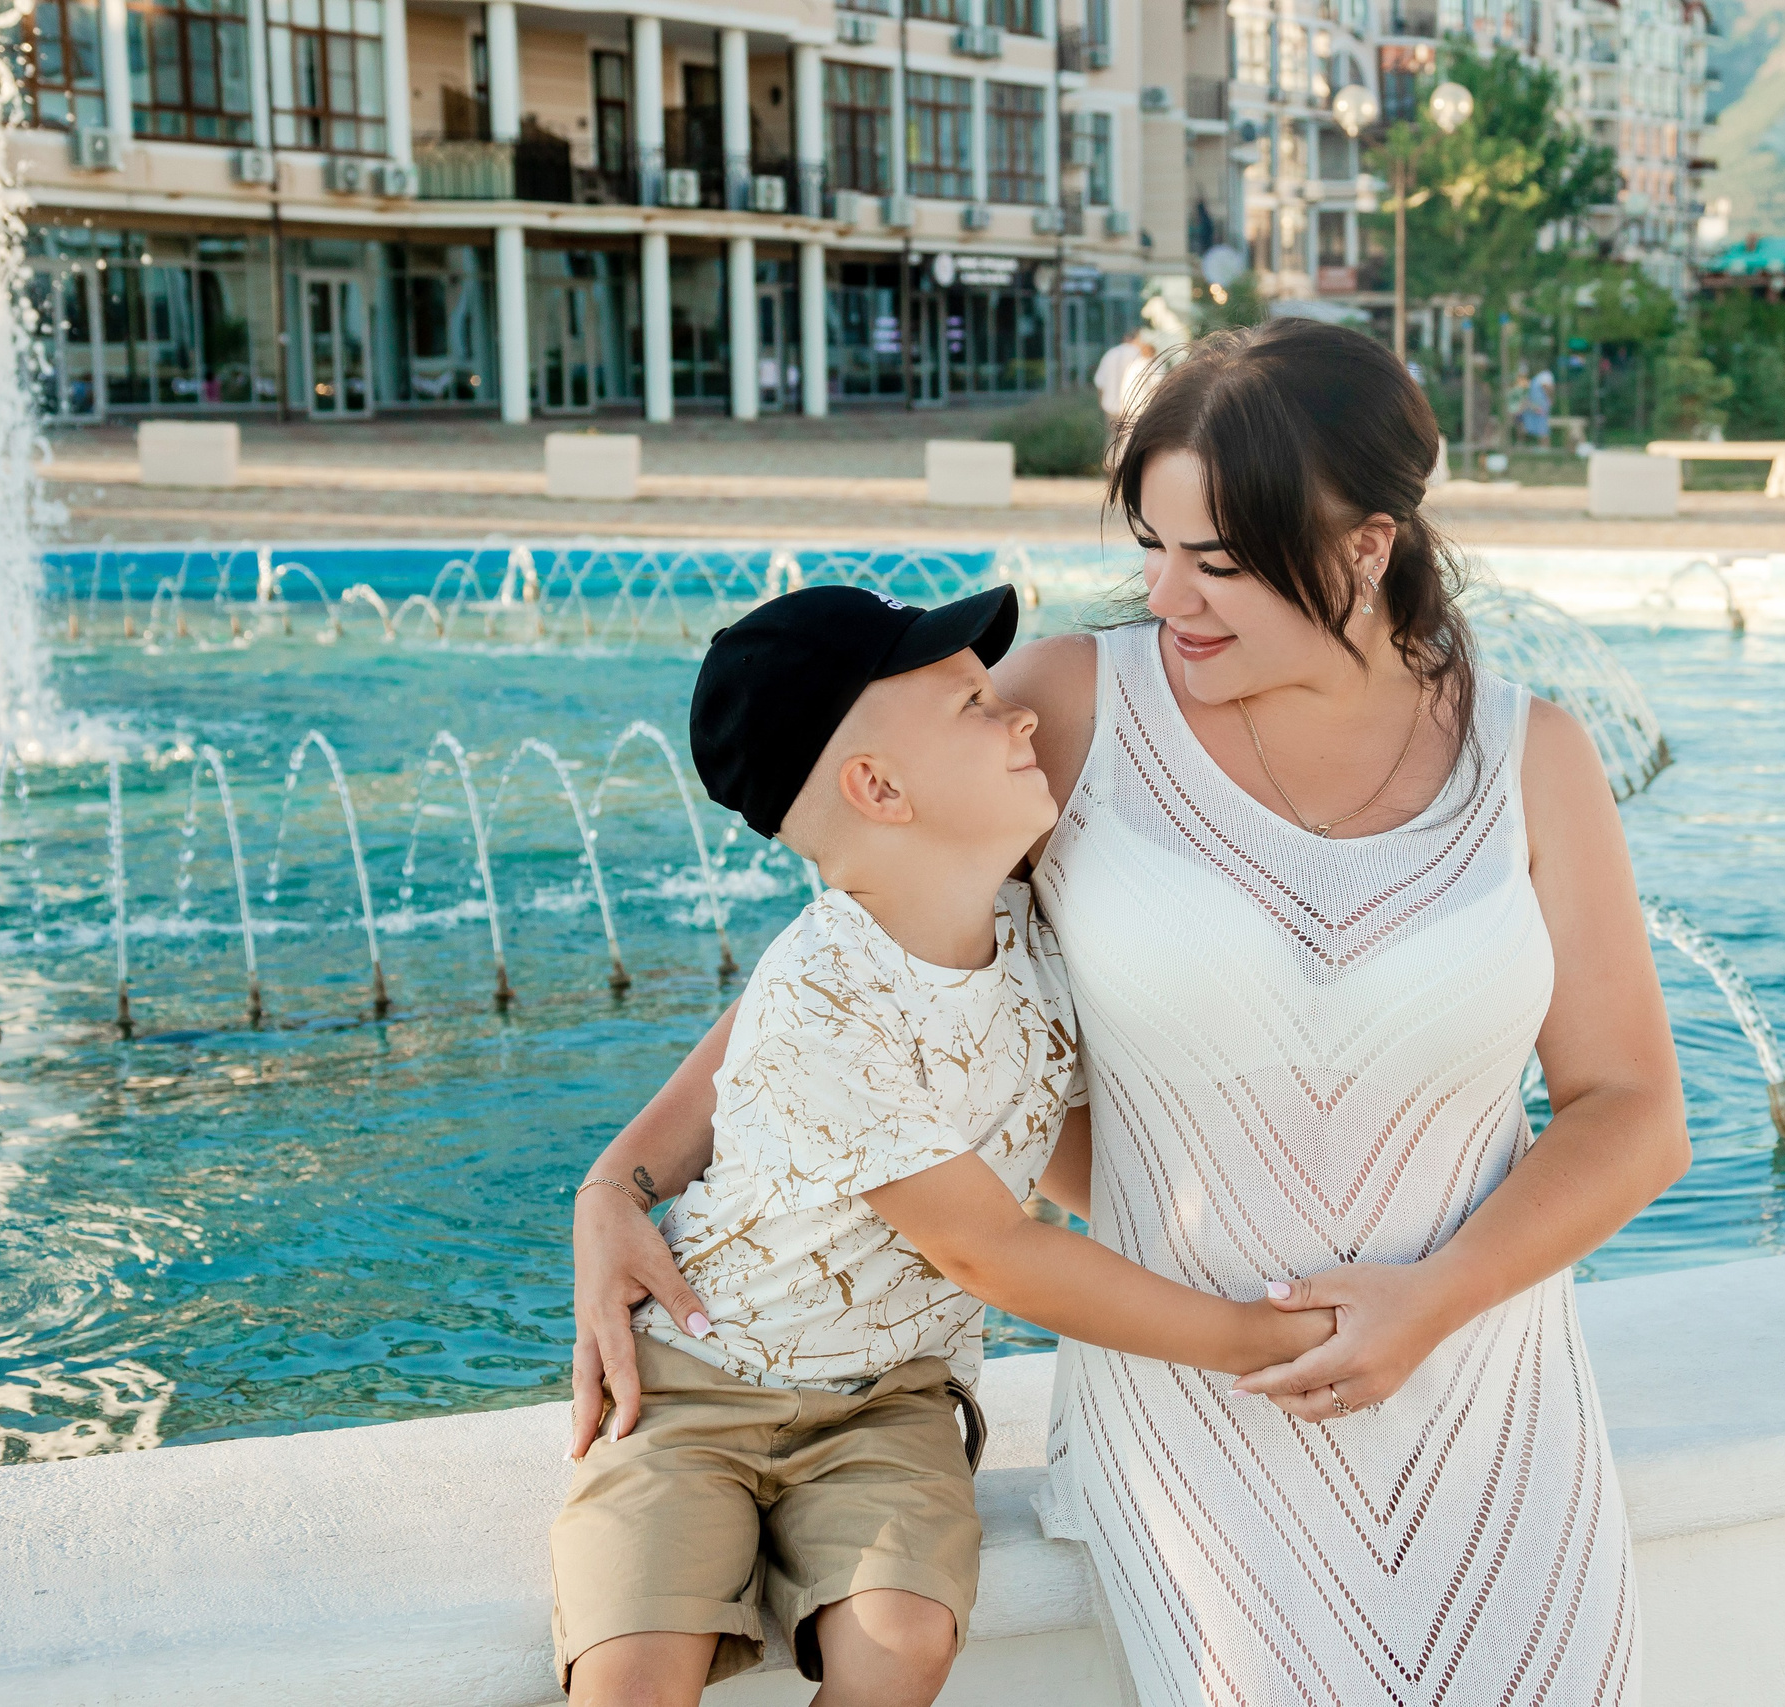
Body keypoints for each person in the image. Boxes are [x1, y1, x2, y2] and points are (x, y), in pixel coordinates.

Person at [573, 320, 1691, 1702]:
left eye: (1215, 561)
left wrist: (1432, 1298)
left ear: (1366, 545)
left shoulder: (1537, 756)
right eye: (1154, 547)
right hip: (1197, 1421)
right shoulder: (1075, 708)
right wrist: (620, 1177)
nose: (1168, 595)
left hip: (1492, 1409)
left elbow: (1632, 1110)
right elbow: (855, 978)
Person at [552, 584, 1336, 1707]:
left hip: (890, 1403)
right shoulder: (824, 997)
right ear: (876, 788)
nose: (1019, 716)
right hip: (693, 1387)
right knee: (631, 1674)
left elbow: (1053, 1149)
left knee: (904, 1640)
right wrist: (1247, 1340)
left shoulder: (1028, 937)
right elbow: (990, 1250)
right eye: (973, 705)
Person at [1092, 328, 1154, 428]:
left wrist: (1101, 404)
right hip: (1133, 409)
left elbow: (1099, 382)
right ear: (1137, 339)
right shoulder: (1139, 354)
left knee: (1112, 439)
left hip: (1110, 406)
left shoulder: (1110, 353)